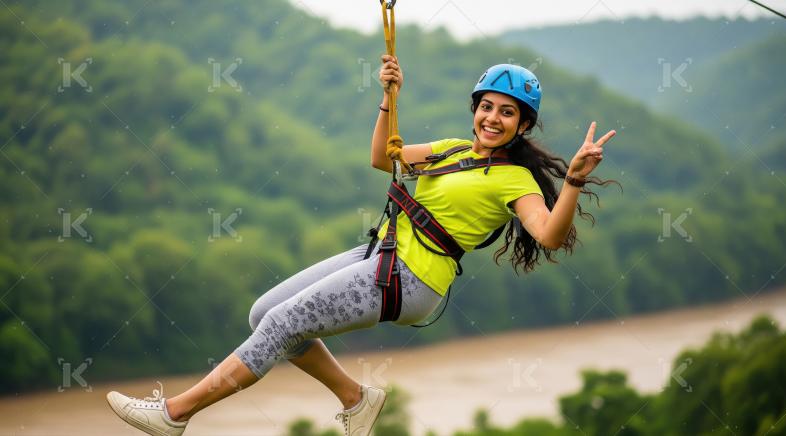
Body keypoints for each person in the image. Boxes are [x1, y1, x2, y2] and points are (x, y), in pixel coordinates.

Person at [105, 55, 616, 436]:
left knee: (284, 325)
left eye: (507, 112)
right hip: (381, 255)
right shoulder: (452, 151)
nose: (492, 118)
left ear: (523, 125)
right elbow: (382, 157)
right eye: (486, 107)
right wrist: (389, 97)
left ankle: (175, 415)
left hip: (412, 281)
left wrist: (571, 181)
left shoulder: (515, 180)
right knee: (265, 313)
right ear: (475, 110)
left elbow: (548, 233)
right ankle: (356, 398)